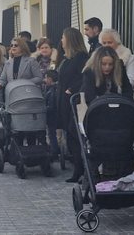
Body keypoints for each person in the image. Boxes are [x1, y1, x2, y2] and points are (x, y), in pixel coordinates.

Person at [55, 27, 90, 183]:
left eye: (63, 37)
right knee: (71, 136)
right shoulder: (67, 59)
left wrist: (72, 89)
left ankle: (80, 170)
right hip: (64, 101)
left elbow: (85, 77)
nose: (61, 40)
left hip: (74, 102)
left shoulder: (81, 57)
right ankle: (77, 169)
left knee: (76, 136)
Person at [0, 38, 44, 146]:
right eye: (12, 45)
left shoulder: (31, 61)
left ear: (22, 47)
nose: (13, 47)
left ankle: (32, 150)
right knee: (15, 127)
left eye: (16, 45)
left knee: (29, 127)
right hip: (13, 97)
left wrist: (24, 83)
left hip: (27, 97)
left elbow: (39, 77)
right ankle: (17, 152)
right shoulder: (8, 63)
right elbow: (3, 78)